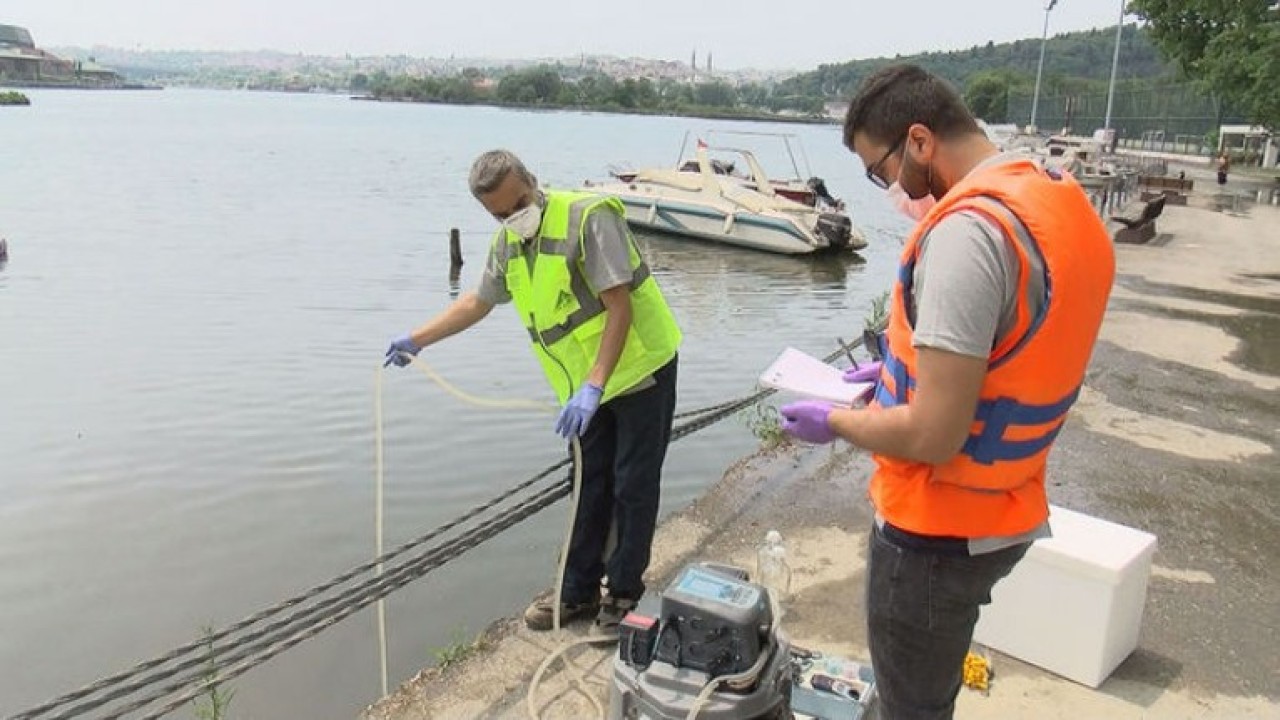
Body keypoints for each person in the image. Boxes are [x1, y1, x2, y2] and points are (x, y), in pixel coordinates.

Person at [777, 65, 1115, 720]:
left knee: (912, 707)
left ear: (920, 141)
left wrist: (836, 421)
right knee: (921, 694)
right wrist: (894, 374)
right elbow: (1012, 344)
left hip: (936, 530)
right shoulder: (1053, 198)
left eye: (880, 171)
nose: (888, 189)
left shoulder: (966, 234)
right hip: (1005, 507)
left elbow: (934, 434)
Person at [384, 150, 682, 632]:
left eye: (519, 204)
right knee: (586, 483)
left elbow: (619, 308)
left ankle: (624, 591)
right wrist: (418, 339)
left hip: (639, 367)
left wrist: (594, 384)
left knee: (633, 483)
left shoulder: (588, 218)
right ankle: (577, 592)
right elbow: (478, 302)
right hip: (585, 386)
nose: (513, 217)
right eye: (500, 214)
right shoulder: (508, 244)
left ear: (534, 182)